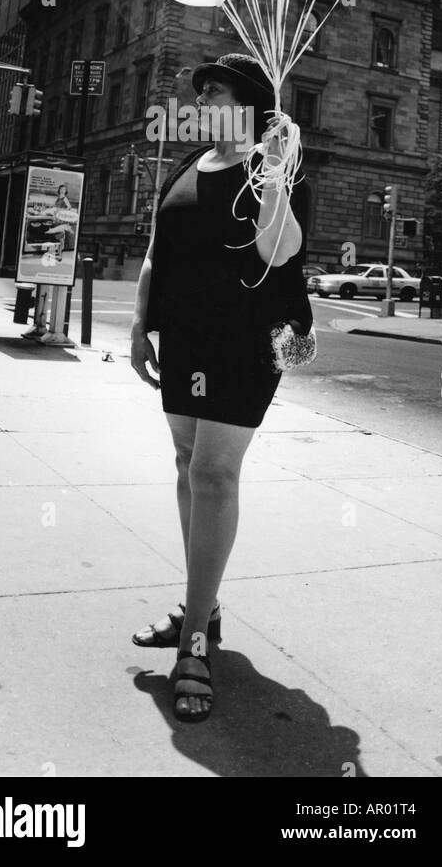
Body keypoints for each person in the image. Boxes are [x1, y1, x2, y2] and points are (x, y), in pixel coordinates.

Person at [130, 54, 313, 723]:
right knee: (185, 464)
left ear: (247, 101)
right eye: (198, 90)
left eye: (216, 89)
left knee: (213, 475)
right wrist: (140, 329)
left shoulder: (272, 165)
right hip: (183, 342)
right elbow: (158, 251)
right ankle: (200, 609)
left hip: (245, 342)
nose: (201, 97)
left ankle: (197, 642)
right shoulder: (186, 165)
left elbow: (278, 251)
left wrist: (271, 170)